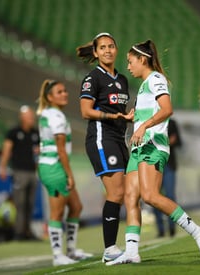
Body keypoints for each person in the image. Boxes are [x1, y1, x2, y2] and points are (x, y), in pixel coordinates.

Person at [107, 40, 200, 266]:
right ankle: (132, 251)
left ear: (142, 60)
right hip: (138, 149)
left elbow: (167, 110)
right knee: (130, 197)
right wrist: (134, 119)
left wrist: (144, 126)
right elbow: (150, 113)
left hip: (153, 146)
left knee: (150, 196)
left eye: (130, 61)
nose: (129, 66)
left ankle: (197, 231)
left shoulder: (156, 79)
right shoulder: (145, 85)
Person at [77, 32, 134, 262]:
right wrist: (112, 117)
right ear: (96, 52)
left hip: (119, 139)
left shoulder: (122, 79)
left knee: (127, 192)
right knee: (117, 192)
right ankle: (110, 249)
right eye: (103, 47)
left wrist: (128, 117)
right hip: (101, 138)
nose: (108, 50)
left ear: (116, 49)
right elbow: (85, 111)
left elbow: (120, 111)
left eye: (111, 46)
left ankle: (123, 246)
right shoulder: (93, 78)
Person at [36, 79, 92, 266]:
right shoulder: (56, 117)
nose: (65, 94)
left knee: (76, 206)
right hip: (53, 166)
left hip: (54, 165)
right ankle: (58, 255)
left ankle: (72, 251)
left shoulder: (52, 113)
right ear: (50, 97)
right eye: (59, 92)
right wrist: (69, 174)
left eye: (65, 91)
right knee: (57, 213)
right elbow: (60, 150)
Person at [0, 105, 39, 240]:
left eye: (32, 116)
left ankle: (27, 230)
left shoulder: (35, 133)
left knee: (30, 203)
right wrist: (3, 167)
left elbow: (39, 153)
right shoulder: (14, 132)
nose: (32, 119)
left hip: (32, 172)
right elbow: (6, 150)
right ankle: (19, 232)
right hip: (19, 172)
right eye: (29, 116)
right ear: (22, 118)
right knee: (19, 203)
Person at [152, 118, 181, 238]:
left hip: (169, 165)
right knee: (154, 197)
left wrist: (164, 143)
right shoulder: (150, 122)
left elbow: (177, 141)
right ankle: (160, 229)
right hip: (154, 165)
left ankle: (172, 227)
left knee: (170, 196)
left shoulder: (172, 123)